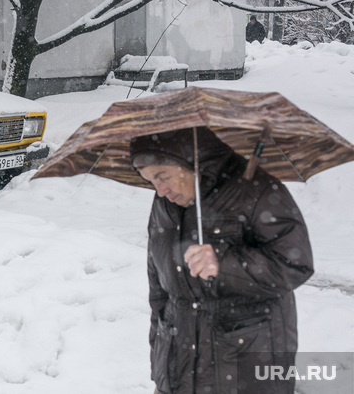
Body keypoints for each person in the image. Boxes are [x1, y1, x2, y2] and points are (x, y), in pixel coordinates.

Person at [130, 127, 314, 394]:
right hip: (178, 371)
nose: (160, 191)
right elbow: (159, 293)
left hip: (243, 369)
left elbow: (295, 264)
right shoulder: (164, 206)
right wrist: (161, 366)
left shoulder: (256, 192)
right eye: (151, 181)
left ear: (193, 163)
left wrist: (225, 264)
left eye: (163, 176)